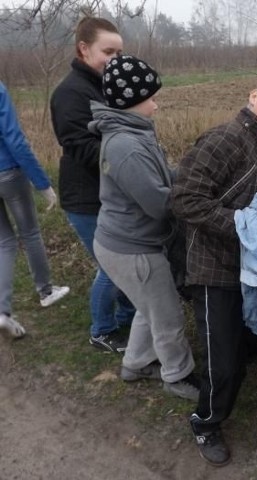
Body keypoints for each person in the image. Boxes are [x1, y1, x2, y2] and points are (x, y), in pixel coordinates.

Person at [171, 77, 257, 467]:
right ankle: (206, 422)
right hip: (212, 267)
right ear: (254, 97)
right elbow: (184, 198)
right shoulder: (225, 138)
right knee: (223, 359)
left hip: (249, 266)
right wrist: (242, 226)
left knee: (255, 334)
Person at [90, 54, 199, 401]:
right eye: (151, 96)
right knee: (167, 316)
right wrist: (194, 199)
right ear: (132, 100)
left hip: (126, 242)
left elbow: (160, 178)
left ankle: (135, 363)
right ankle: (178, 376)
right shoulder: (125, 146)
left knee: (148, 307)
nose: (156, 103)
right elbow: (157, 205)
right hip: (132, 248)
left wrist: (187, 173)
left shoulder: (135, 132)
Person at [50, 16, 135, 353]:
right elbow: (82, 148)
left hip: (109, 192)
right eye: (108, 51)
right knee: (112, 266)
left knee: (123, 260)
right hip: (85, 198)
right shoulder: (69, 93)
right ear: (84, 49)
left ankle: (128, 312)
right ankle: (102, 329)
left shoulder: (103, 84)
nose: (116, 60)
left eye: (120, 52)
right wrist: (131, 154)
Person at [0, 81, 70, 339]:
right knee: (29, 233)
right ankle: (46, 292)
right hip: (7, 172)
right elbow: (14, 139)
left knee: (4, 242)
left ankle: (2, 312)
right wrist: (42, 183)